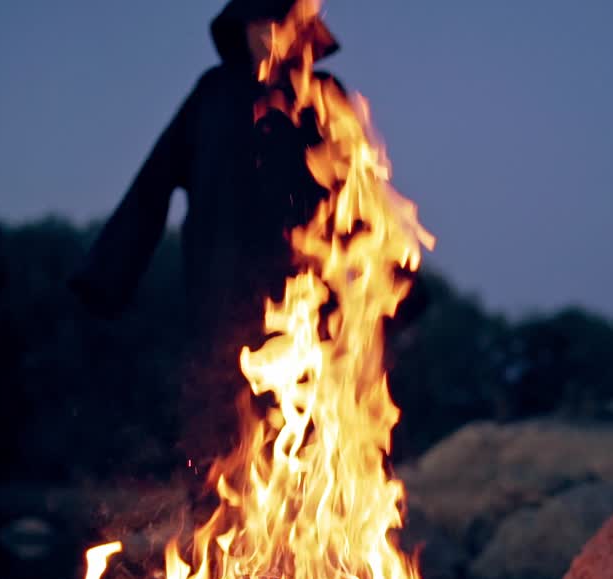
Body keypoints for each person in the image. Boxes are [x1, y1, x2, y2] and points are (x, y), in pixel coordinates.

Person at [69, 0, 425, 475]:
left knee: (304, 441)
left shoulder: (324, 98)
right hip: (220, 295)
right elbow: (152, 185)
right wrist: (106, 278)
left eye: (281, 23)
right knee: (216, 443)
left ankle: (310, 546)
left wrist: (403, 292)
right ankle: (214, 541)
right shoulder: (211, 97)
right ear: (242, 28)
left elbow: (363, 200)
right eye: (262, 23)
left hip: (306, 305)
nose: (271, 34)